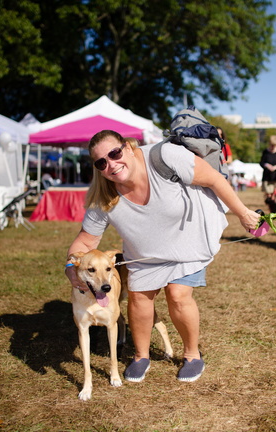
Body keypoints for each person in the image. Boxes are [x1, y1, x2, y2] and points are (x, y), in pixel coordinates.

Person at [65, 130, 260, 383]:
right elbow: (86, 240)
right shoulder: (103, 197)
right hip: (146, 254)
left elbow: (213, 179)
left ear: (128, 147)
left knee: (177, 294)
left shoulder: (164, 156)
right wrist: (71, 265)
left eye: (115, 153)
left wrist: (243, 213)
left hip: (190, 238)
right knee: (138, 298)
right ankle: (141, 355)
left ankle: (192, 355)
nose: (111, 164)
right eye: (102, 162)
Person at [260, 135, 276, 212]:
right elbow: (261, 162)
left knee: (274, 194)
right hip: (267, 177)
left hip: (275, 176)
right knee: (269, 196)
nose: (273, 147)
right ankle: (272, 209)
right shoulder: (265, 152)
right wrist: (267, 165)